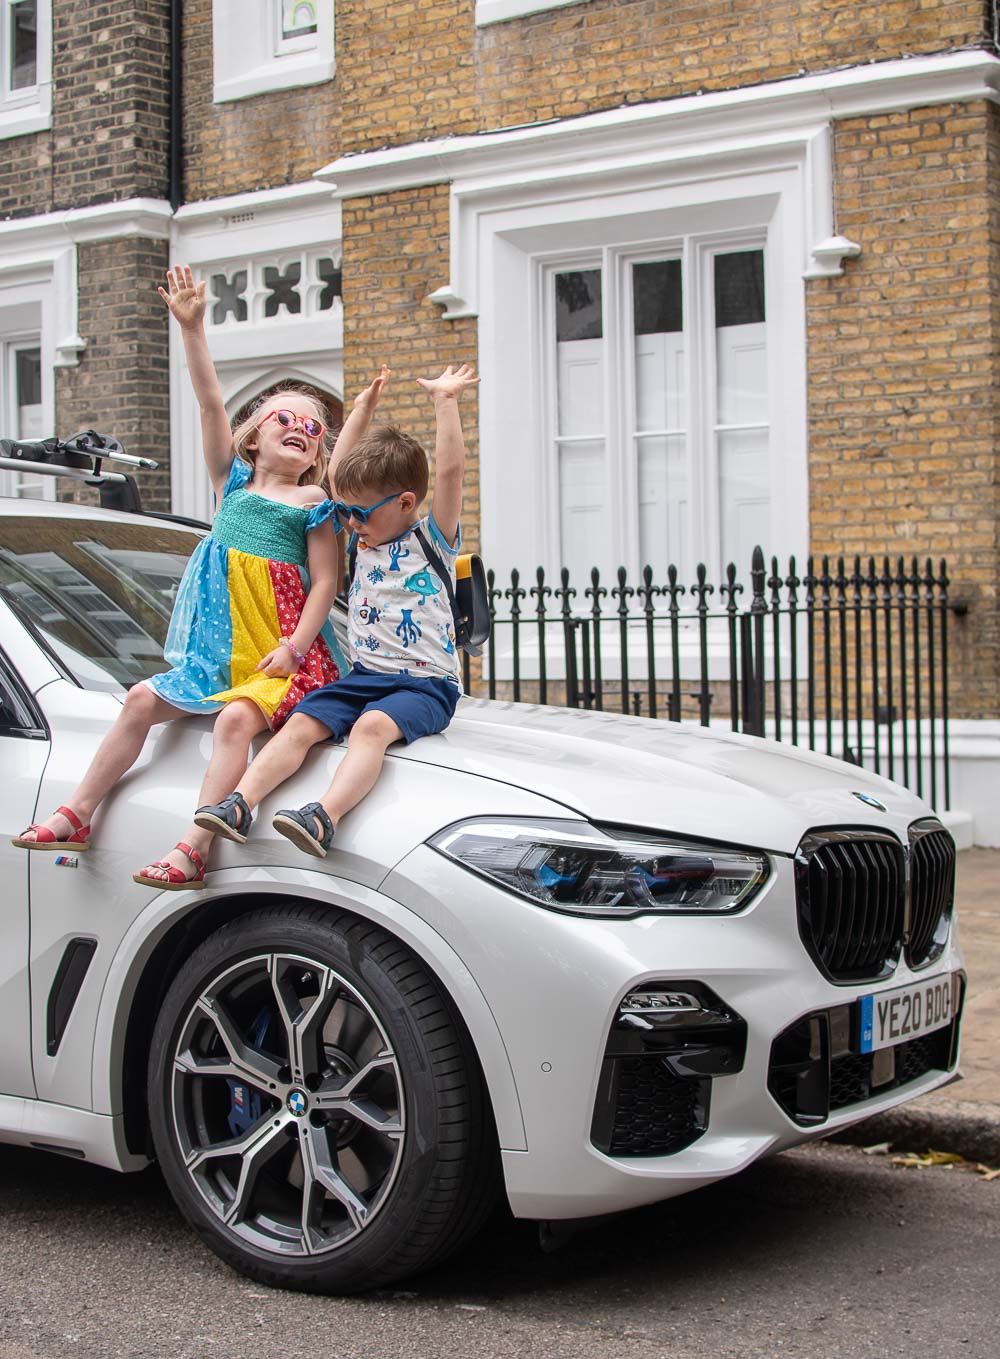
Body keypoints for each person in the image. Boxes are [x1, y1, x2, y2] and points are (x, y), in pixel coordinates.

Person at [13, 265, 347, 890]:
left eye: (314, 427)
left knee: (233, 723)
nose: (301, 428)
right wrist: (192, 328)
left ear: (320, 451)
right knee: (139, 698)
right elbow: (210, 400)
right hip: (218, 655)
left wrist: (295, 647)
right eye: (286, 418)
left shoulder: (314, 504)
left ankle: (195, 847)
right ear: (254, 438)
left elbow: (325, 584)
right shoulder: (233, 482)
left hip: (280, 657)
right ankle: (78, 811)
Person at [192, 362, 478, 858]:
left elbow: (451, 472)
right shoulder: (359, 538)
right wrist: (361, 411)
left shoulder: (432, 538)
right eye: (345, 512)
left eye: (359, 514)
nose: (348, 521)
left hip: (425, 685)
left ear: (407, 503)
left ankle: (325, 814)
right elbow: (337, 471)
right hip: (366, 675)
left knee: (370, 728)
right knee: (303, 720)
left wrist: (445, 401)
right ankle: (239, 803)